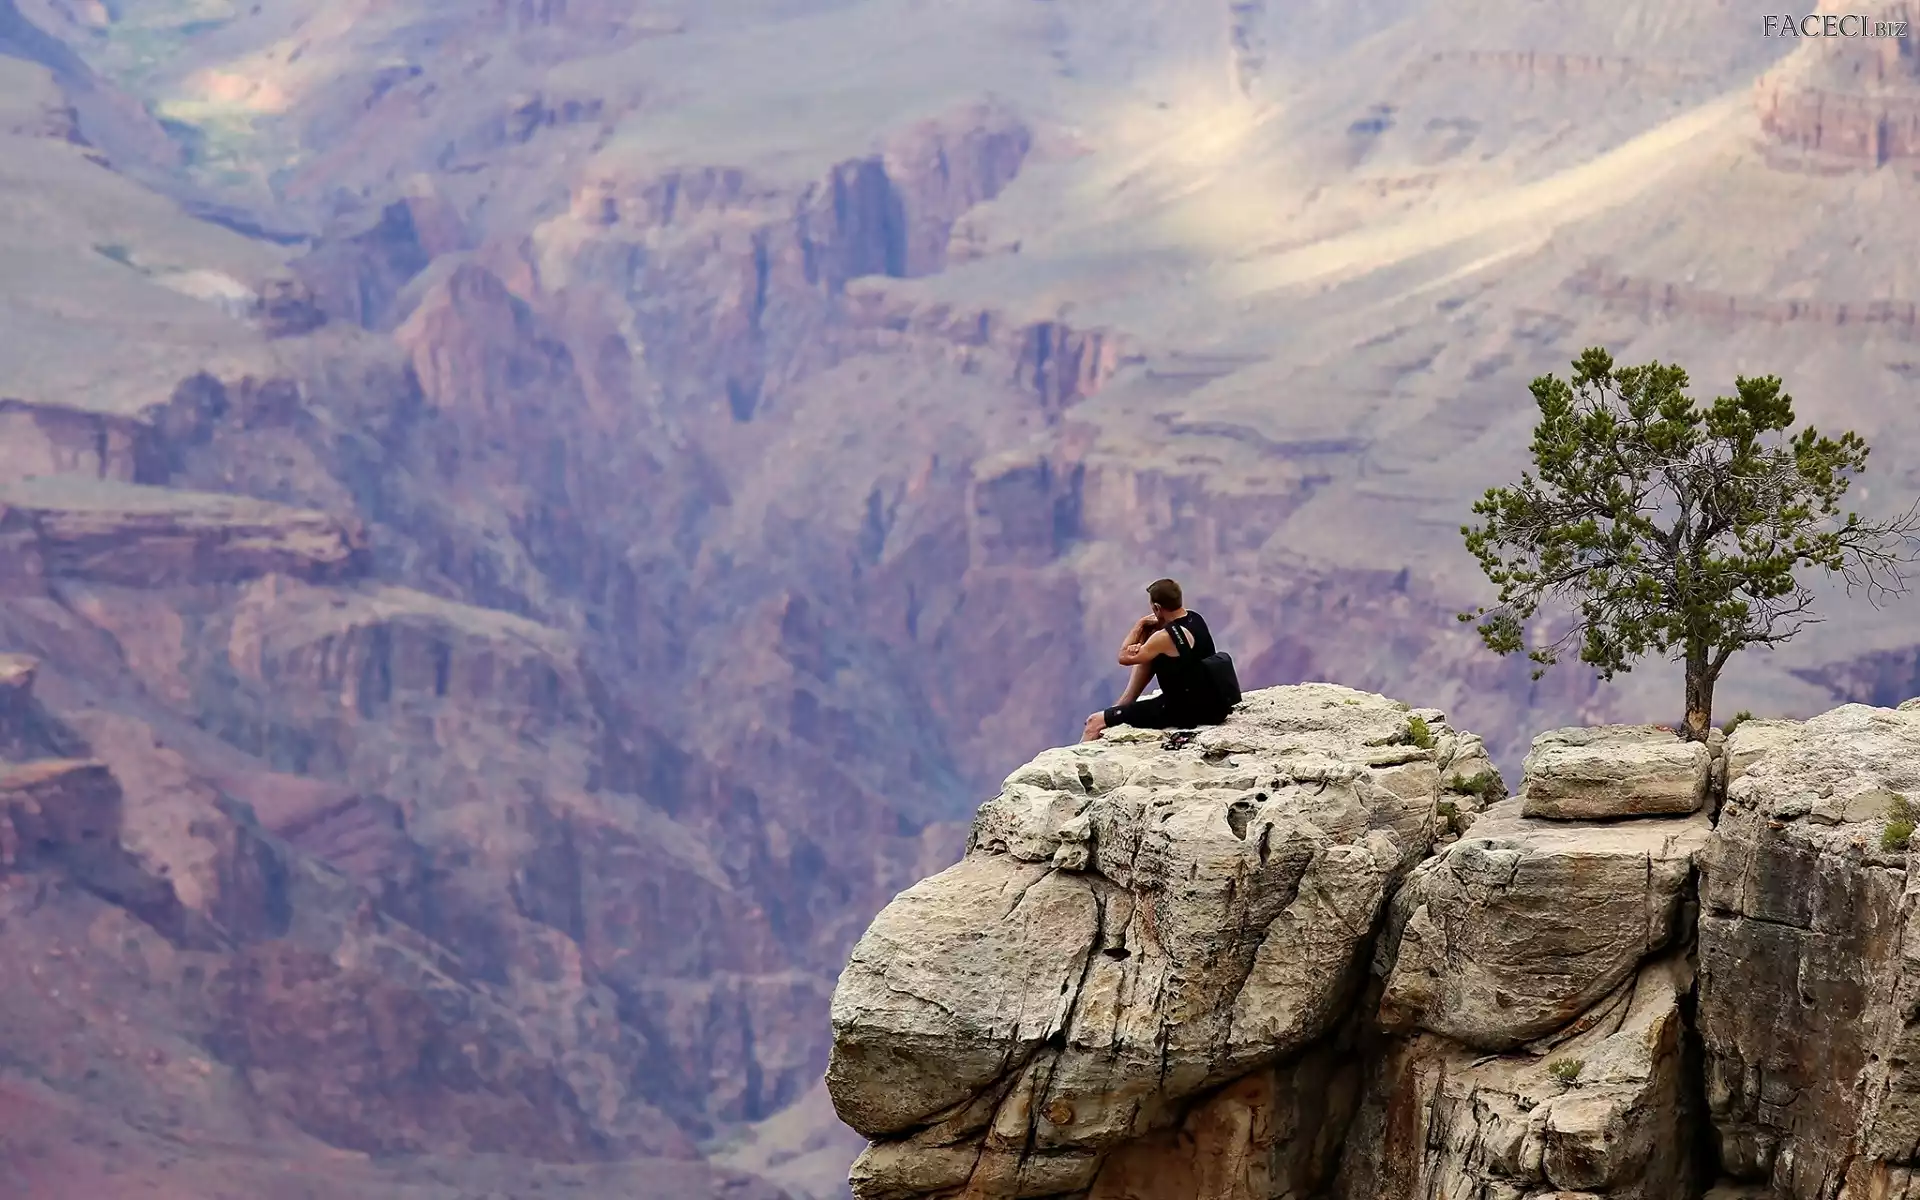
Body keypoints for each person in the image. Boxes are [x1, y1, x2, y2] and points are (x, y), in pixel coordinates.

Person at [1082, 578, 1229, 742]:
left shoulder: (1165, 637)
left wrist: (1140, 624)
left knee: (1094, 722)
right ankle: (1124, 705)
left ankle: (1114, 716)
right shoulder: (1195, 618)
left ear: (1157, 608)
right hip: (1212, 705)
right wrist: (1148, 639)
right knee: (1153, 655)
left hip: (1182, 711)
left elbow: (1123, 657)